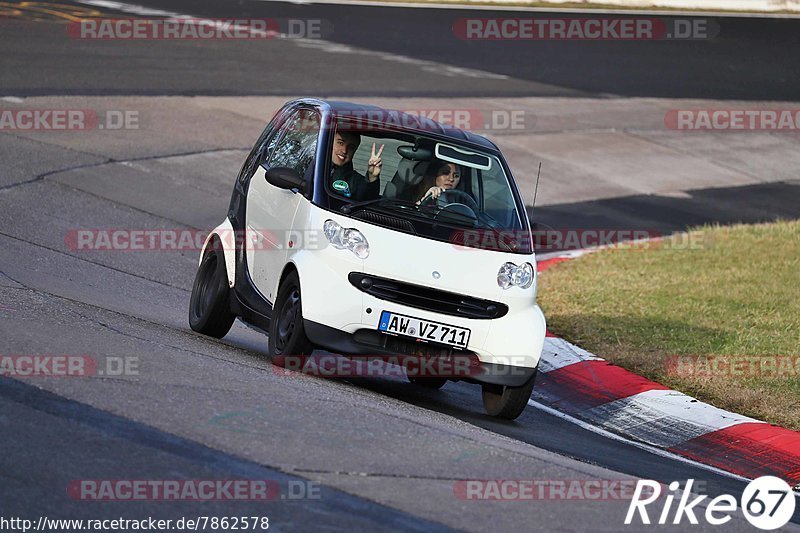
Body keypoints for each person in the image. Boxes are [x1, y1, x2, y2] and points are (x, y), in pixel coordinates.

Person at [329, 131, 384, 201]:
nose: (344, 150)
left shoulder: (356, 182)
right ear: (330, 142)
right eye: (340, 143)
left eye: (351, 147)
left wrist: (372, 177)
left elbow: (368, 201)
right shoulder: (314, 164)